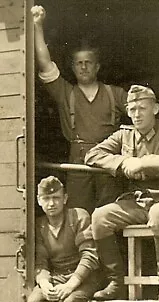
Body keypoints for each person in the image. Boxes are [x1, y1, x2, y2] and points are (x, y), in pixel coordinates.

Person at [85, 85, 159, 301]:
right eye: (132, 110)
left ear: (155, 109)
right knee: (100, 218)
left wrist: (148, 163)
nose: (136, 115)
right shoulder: (124, 135)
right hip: (137, 202)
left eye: (142, 108)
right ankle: (116, 282)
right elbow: (92, 154)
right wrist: (125, 161)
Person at [31, 5, 128, 213]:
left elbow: (143, 115)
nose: (83, 67)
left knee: (109, 216)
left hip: (108, 161)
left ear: (97, 67)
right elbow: (45, 63)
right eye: (79, 63)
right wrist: (37, 26)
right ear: (73, 67)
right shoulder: (66, 93)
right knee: (79, 214)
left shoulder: (116, 94)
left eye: (88, 62)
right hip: (78, 162)